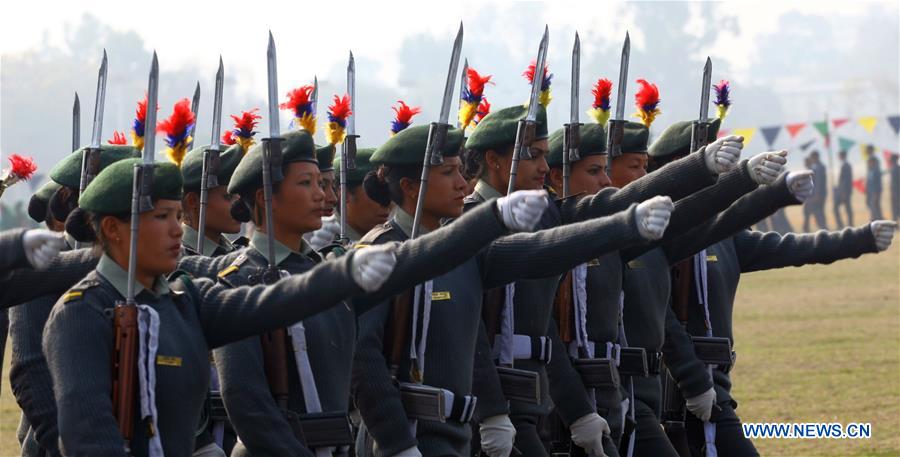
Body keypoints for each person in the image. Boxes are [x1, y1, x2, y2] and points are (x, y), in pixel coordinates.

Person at [184, 127, 550, 457]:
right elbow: (247, 403)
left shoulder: (330, 271)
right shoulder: (240, 281)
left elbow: (427, 258)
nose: (323, 195)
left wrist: (494, 219)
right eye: (307, 183)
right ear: (266, 198)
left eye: (322, 183)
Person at [43, 156, 398, 456]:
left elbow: (269, 302)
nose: (177, 230)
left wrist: (343, 275)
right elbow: (88, 436)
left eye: (177, 216)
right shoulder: (81, 312)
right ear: (112, 228)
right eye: (162, 217)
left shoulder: (186, 301)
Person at [461, 102, 759, 457]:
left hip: (549, 405)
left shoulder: (547, 217)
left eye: (544, 154)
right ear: (494, 160)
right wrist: (494, 412)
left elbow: (618, 204)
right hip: (497, 417)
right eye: (533, 155)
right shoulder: (467, 227)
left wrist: (717, 171)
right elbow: (470, 338)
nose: (543, 165)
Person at [351, 124, 667, 457]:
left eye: (459, 170)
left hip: (457, 437)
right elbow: (364, 362)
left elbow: (544, 251)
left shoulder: (465, 251)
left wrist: (628, 224)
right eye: (448, 173)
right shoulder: (379, 255)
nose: (462, 183)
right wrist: (398, 444)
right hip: (409, 440)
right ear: (410, 187)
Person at [803, 151, 828, 232]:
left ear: (815, 157)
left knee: (818, 212)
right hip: (816, 194)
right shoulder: (816, 167)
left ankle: (823, 228)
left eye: (812, 157)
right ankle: (822, 228)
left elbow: (818, 183)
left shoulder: (819, 167)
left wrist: (816, 194)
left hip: (818, 195)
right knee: (817, 212)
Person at [833, 150, 854, 227]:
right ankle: (847, 224)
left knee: (839, 208)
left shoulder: (846, 166)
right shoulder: (844, 165)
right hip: (842, 191)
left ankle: (845, 224)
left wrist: (843, 192)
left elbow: (846, 180)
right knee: (847, 208)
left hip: (844, 192)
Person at [866, 155, 883, 221]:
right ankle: (877, 219)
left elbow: (878, 184)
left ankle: (876, 220)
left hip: (875, 193)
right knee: (873, 207)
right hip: (870, 193)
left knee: (875, 207)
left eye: (870, 162)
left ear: (873, 162)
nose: (869, 163)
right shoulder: (870, 171)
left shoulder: (876, 171)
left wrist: (876, 193)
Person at [888, 153, 899, 221]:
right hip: (894, 192)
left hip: (896, 192)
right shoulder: (893, 168)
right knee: (895, 208)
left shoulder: (896, 169)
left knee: (896, 208)